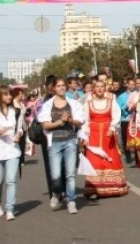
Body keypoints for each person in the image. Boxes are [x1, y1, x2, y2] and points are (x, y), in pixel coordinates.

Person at [38, 77, 84, 213]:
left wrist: (69, 119)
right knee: (56, 175)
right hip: (54, 142)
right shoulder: (48, 105)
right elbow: (45, 124)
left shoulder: (73, 104)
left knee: (70, 174)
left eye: (63, 85)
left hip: (70, 140)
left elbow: (80, 121)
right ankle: (57, 193)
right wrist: (59, 122)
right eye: (58, 86)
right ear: (54, 88)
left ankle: (71, 200)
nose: (62, 88)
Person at [80, 80, 129, 199]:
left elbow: (116, 116)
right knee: (95, 161)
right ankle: (95, 189)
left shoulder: (111, 102)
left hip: (108, 135)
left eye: (102, 86)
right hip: (94, 136)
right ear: (93, 89)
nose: (100, 89)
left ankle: (114, 187)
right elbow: (85, 120)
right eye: (97, 86)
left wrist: (112, 128)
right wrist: (84, 137)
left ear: (105, 88)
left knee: (110, 159)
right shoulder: (88, 103)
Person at [0, 86, 24, 221]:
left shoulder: (17, 112)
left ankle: (10, 209)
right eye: (6, 95)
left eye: (10, 95)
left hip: (13, 149)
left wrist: (18, 135)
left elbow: (20, 129)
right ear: (0, 96)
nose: (9, 97)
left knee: (11, 180)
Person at [118, 78, 134, 164]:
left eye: (133, 84)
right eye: (131, 84)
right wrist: (126, 107)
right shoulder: (121, 96)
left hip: (134, 119)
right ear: (127, 85)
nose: (132, 86)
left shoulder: (136, 94)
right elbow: (118, 109)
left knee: (135, 137)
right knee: (125, 138)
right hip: (125, 119)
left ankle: (137, 156)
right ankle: (128, 156)